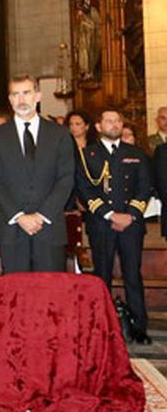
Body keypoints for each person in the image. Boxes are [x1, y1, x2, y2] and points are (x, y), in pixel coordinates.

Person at [0, 75, 75, 273]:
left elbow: (66, 178)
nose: (21, 99)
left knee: (50, 294)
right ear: (10, 100)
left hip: (49, 227)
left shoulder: (59, 134)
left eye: (26, 93)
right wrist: (19, 216)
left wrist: (42, 215)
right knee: (16, 295)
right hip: (13, 228)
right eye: (15, 94)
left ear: (38, 96)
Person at [77, 109, 152, 345]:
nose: (114, 124)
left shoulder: (136, 153)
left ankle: (139, 327)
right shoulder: (87, 154)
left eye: (118, 121)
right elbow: (84, 189)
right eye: (109, 121)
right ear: (98, 126)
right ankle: (101, 327)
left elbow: (145, 187)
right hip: (101, 223)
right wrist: (109, 214)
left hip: (131, 224)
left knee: (132, 274)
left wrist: (130, 215)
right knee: (102, 276)